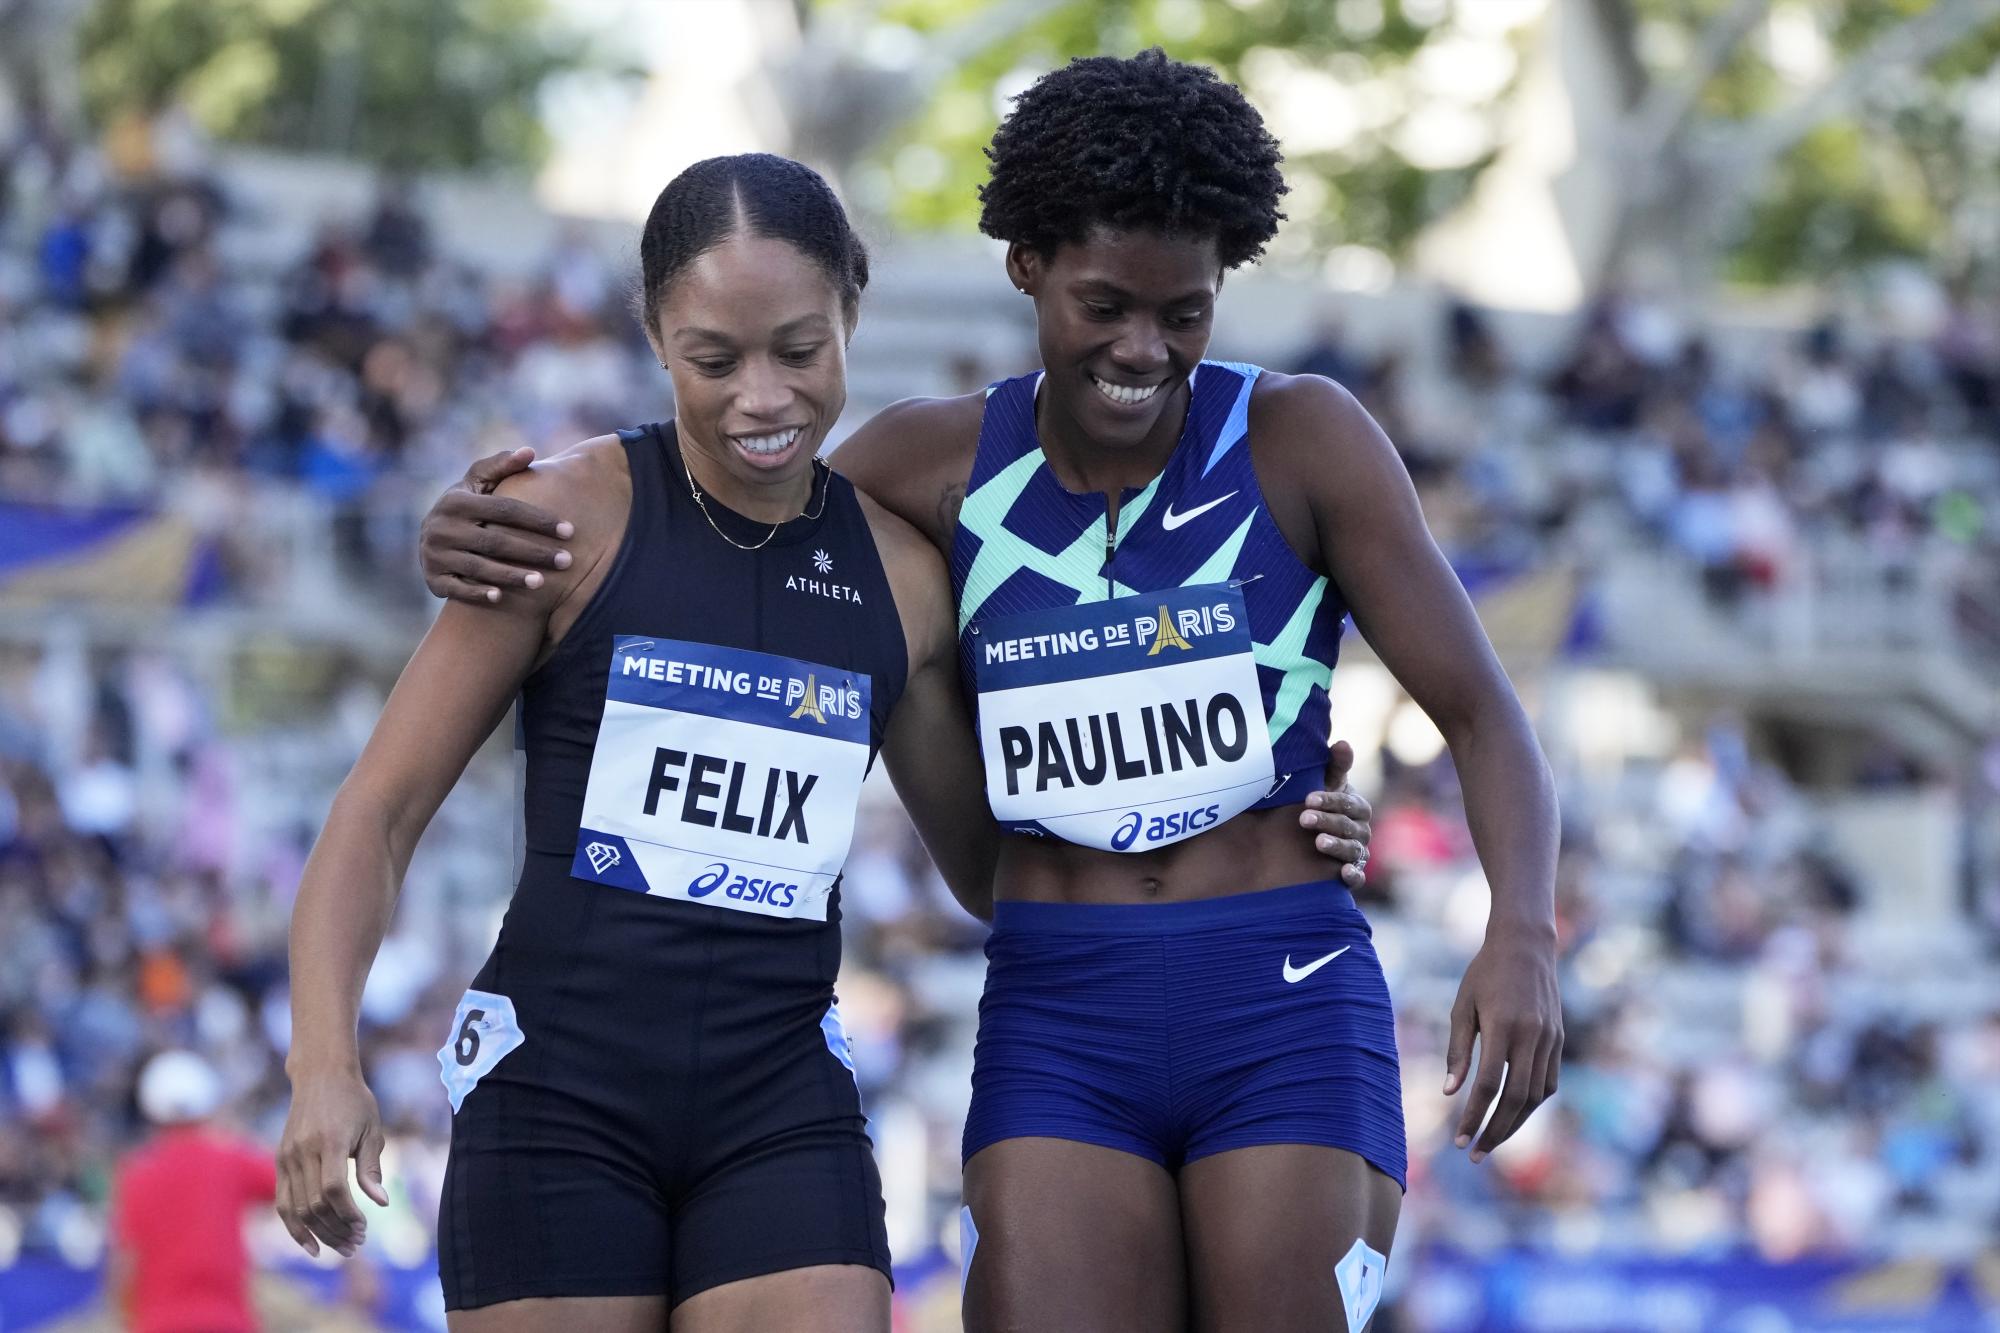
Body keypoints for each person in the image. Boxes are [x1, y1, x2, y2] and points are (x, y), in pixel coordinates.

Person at [282, 152, 1372, 1333]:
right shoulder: (555, 524)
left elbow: (1000, 863)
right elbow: (376, 812)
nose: (762, 397)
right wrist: (322, 1063)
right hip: (558, 1094)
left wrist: (1255, 817)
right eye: (714, 359)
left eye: (800, 352)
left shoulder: (903, 579)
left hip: (779, 1106)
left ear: (854, 311)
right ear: (654, 333)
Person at [109, 1051, 277, 1333]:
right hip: (227, 1322)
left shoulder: (137, 1172)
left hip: (158, 1323)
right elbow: (300, 1191)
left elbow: (126, 1263)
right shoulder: (231, 1158)